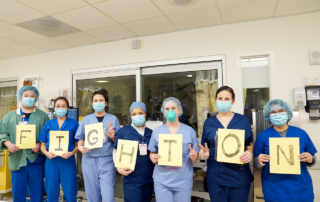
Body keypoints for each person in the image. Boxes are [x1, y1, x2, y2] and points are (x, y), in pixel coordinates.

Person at [253, 99, 317, 202]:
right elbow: (257, 161)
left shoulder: (301, 133)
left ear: (287, 112)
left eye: (281, 111)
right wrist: (259, 160)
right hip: (274, 188)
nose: (277, 114)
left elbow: (312, 158)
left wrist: (310, 159)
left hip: (299, 188)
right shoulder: (263, 136)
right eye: (273, 112)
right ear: (268, 115)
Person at [200, 86, 253, 202]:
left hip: (239, 176)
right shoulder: (209, 123)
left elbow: (249, 144)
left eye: (226, 99)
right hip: (216, 177)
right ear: (215, 100)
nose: (223, 102)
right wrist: (205, 152)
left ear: (233, 101)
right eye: (220, 98)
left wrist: (249, 152)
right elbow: (207, 147)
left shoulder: (243, 121)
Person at [0, 86, 49, 202]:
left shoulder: (42, 116)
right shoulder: (9, 116)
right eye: (25, 96)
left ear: (36, 98)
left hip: (36, 160)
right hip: (17, 160)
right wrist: (8, 144)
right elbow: (2, 133)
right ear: (20, 98)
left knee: (37, 191)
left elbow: (48, 135)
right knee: (18, 192)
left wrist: (40, 145)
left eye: (32, 96)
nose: (29, 98)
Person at [148, 97, 200, 202]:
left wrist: (194, 156)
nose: (170, 111)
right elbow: (152, 152)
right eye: (167, 109)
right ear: (163, 111)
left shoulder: (189, 131)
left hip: (183, 180)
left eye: (173, 108)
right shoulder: (157, 132)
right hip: (162, 181)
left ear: (179, 110)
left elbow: (195, 155)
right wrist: (152, 157)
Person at [75, 89, 120, 202]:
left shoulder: (113, 119)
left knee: (108, 197)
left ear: (105, 103)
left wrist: (112, 136)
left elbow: (118, 143)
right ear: (92, 103)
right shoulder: (86, 120)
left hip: (107, 160)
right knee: (92, 195)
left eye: (101, 100)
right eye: (95, 100)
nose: (98, 103)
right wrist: (80, 147)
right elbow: (80, 139)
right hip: (89, 160)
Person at [38, 97, 79, 202]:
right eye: (58, 106)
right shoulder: (48, 124)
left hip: (67, 161)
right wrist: (47, 153)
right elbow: (42, 145)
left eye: (63, 106)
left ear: (68, 108)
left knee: (70, 191)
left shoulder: (74, 124)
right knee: (51, 192)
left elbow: (78, 145)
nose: (60, 108)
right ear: (54, 108)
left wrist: (71, 153)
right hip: (51, 162)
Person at [113, 101, 155, 202]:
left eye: (140, 113)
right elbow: (116, 150)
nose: (137, 116)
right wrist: (118, 168)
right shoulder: (124, 132)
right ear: (130, 116)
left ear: (145, 114)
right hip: (131, 178)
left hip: (148, 177)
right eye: (134, 114)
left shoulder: (151, 133)